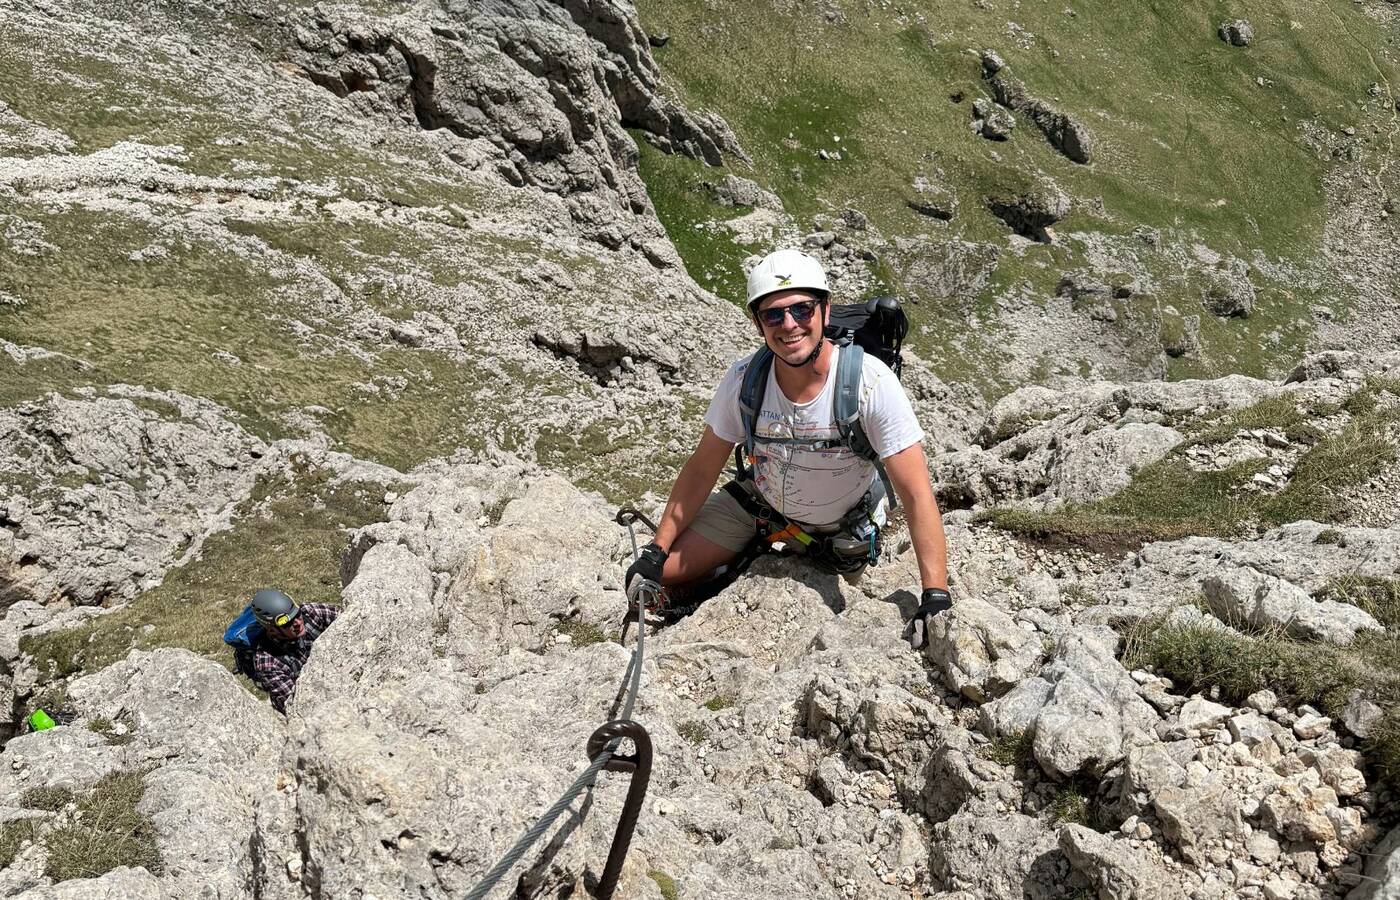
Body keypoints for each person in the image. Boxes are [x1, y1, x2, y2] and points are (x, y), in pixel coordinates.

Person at [625, 248, 952, 648]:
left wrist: (935, 595)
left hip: (838, 531)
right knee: (650, 580)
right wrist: (656, 551)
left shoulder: (870, 384)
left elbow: (916, 494)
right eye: (773, 315)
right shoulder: (745, 379)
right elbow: (702, 468)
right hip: (760, 505)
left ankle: (734, 562)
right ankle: (732, 561)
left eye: (802, 309)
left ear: (825, 311)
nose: (790, 324)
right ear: (757, 323)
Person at [246, 588, 339, 714]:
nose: (298, 622)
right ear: (271, 630)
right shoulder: (268, 662)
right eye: (287, 623)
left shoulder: (311, 613)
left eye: (297, 614)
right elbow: (295, 704)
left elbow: (350, 618)